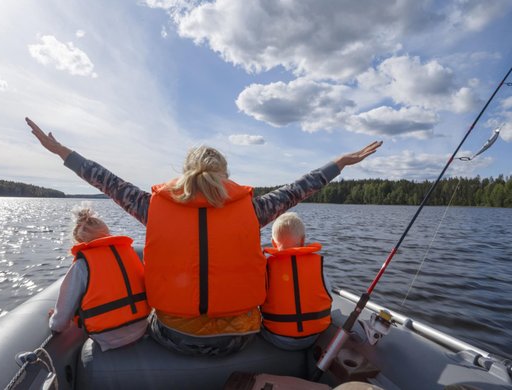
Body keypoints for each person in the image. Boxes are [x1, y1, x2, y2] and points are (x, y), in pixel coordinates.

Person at [27, 117, 382, 356]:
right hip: (239, 339)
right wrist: (339, 163)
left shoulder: (152, 207)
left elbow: (104, 180)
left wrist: (62, 153)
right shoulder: (254, 210)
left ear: (185, 173)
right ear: (225, 175)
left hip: (176, 337)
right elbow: (299, 188)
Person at [49, 206, 150, 351]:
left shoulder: (81, 265)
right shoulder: (129, 253)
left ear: (78, 240)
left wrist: (54, 322)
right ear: (108, 234)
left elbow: (59, 323)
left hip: (107, 337)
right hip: (141, 327)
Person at [260, 212, 332, 351]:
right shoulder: (318, 266)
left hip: (276, 336)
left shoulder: (266, 268)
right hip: (314, 335)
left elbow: (258, 299)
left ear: (274, 243)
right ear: (303, 240)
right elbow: (327, 294)